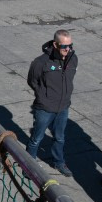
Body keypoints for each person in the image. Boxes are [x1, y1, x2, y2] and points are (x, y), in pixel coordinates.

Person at [25, 29, 77, 177]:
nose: (67, 49)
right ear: (55, 44)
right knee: (37, 138)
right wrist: (44, 96)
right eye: (63, 46)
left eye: (70, 46)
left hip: (63, 107)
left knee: (59, 137)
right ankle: (29, 165)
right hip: (45, 108)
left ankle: (59, 162)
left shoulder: (73, 58)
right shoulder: (41, 62)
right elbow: (32, 81)